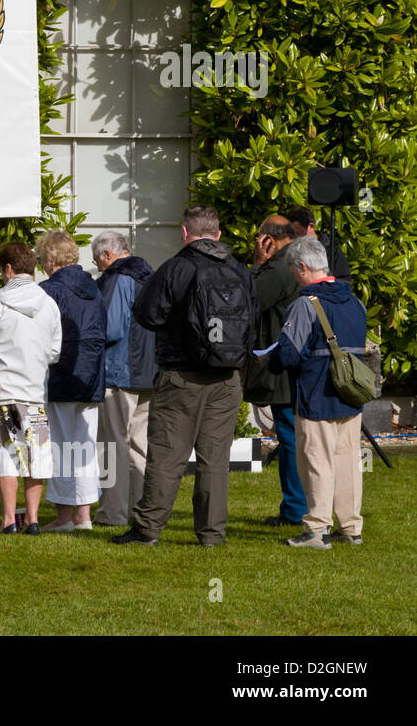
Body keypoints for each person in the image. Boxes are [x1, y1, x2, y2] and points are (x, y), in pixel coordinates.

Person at [114, 206, 257, 547]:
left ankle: (147, 530)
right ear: (218, 234)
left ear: (184, 232)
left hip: (181, 375)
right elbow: (254, 321)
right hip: (227, 379)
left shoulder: (176, 267)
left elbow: (147, 315)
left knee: (166, 456)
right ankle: (211, 534)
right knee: (214, 460)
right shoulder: (240, 270)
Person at [264, 237, 368, 548]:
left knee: (316, 462)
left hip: (316, 394)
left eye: (295, 273)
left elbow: (288, 355)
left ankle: (317, 529)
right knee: (348, 463)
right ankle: (351, 527)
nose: (295, 278)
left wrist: (266, 358)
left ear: (303, 268)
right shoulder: (355, 302)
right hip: (350, 395)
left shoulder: (305, 305)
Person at [0, 242, 62, 535]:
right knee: (36, 458)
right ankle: (33, 520)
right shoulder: (49, 303)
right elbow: (55, 352)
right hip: (35, 393)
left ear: (8, 268)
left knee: (7, 456)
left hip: (3, 392)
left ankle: (9, 520)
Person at [36, 230, 106, 531]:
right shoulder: (94, 286)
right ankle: (84, 515)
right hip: (91, 374)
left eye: (41, 258)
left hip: (61, 374)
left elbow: (40, 334)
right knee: (85, 446)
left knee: (61, 445)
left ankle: (65, 516)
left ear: (51, 259)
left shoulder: (49, 290)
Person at [91, 231, 157, 527]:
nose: (98, 267)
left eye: (97, 261)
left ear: (108, 255)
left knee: (111, 445)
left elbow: (112, 328)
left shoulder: (119, 278)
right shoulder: (151, 277)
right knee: (140, 446)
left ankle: (112, 512)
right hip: (149, 373)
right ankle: (139, 510)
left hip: (119, 373)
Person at [244, 215, 304, 529]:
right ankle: (301, 507)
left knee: (290, 437)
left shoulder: (280, 268)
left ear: (268, 239)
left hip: (283, 365)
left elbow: (250, 300)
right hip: (302, 362)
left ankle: (296, 509)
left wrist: (257, 264)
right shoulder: (303, 260)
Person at [286, 205, 351, 286]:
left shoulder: (332, 250)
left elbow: (344, 283)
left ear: (311, 226)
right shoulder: (290, 251)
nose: (295, 238)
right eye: (292, 235)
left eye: (298, 233)